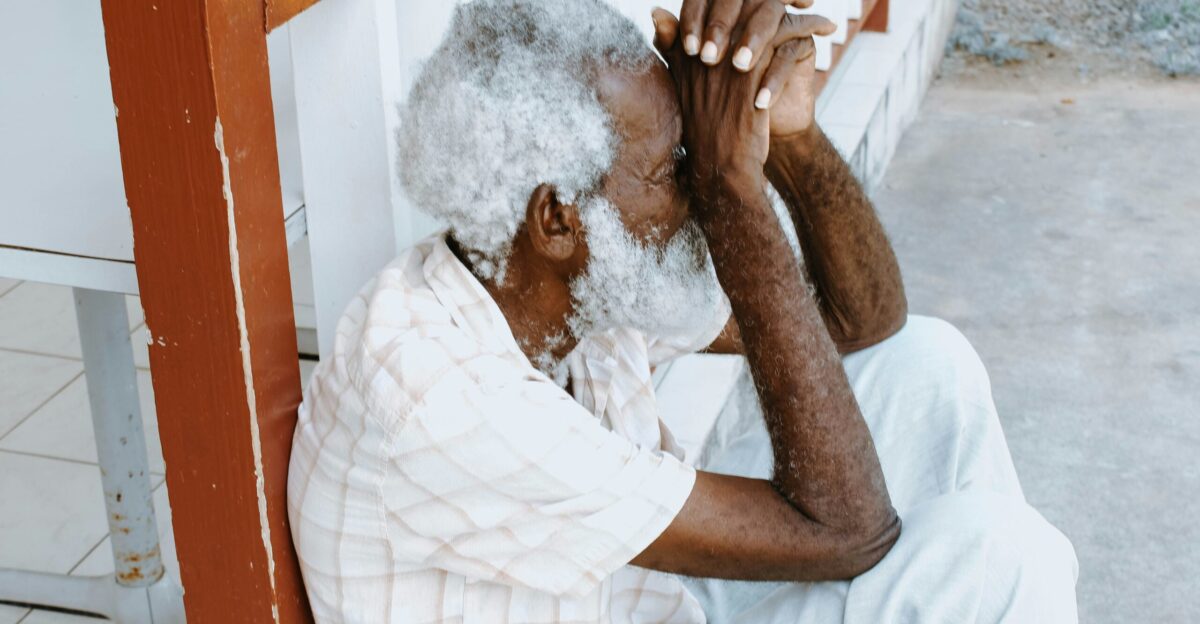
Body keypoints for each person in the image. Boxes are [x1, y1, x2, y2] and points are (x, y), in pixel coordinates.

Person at [286, 0, 1079, 621]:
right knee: (1005, 563)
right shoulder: (441, 400)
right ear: (558, 218)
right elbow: (848, 529)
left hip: (651, 601)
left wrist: (790, 133)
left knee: (929, 366)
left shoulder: (553, 282)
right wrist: (736, 188)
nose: (697, 183)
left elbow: (859, 320)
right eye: (673, 166)